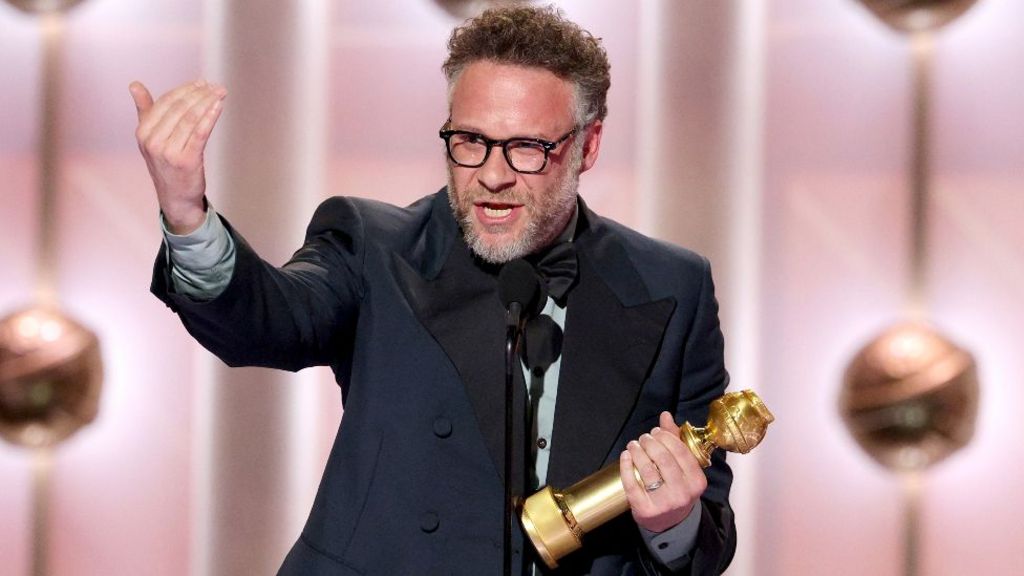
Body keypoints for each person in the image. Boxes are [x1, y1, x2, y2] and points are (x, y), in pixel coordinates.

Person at [131, 6, 736, 575]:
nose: (492, 176)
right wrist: (186, 214)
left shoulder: (672, 287)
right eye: (470, 141)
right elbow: (266, 321)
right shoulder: (375, 248)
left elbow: (709, 535)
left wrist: (673, 523)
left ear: (588, 146)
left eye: (526, 147)